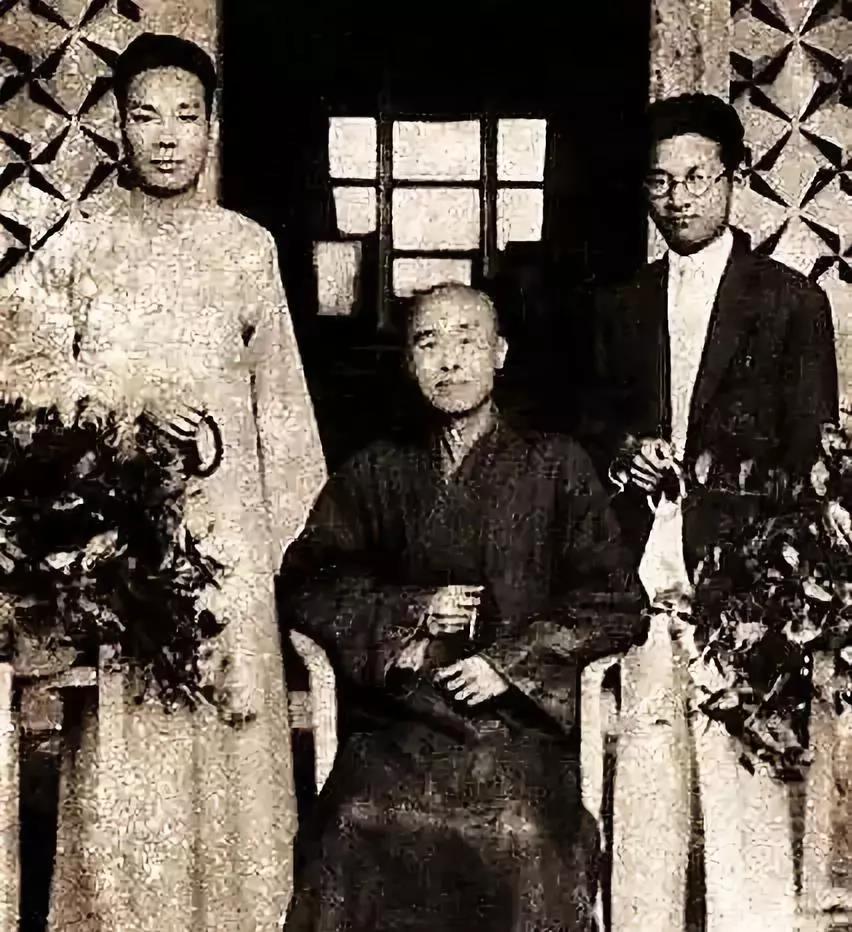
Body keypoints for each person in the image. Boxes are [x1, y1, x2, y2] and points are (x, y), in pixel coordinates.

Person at [1, 33, 326, 932]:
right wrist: (126, 403)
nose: (168, 136)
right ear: (118, 126)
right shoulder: (80, 248)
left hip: (230, 540)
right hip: (120, 549)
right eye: (147, 116)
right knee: (130, 755)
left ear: (213, 126)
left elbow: (283, 410)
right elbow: (18, 371)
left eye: (188, 116)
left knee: (233, 744)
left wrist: (294, 561)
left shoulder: (246, 248)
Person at [278, 283, 645, 932]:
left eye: (467, 340)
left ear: (499, 353)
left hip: (519, 732)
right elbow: (309, 583)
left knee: (523, 833)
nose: (449, 360)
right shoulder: (376, 471)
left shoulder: (557, 466)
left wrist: (510, 662)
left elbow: (615, 599)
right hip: (400, 729)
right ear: (408, 362)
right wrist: (410, 612)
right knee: (350, 824)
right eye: (429, 343)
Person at [585, 94, 839, 931]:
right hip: (645, 568)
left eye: (698, 177)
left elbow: (808, 458)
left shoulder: (792, 302)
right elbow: (589, 425)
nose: (679, 197)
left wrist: (767, 572)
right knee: (646, 778)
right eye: (660, 181)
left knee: (743, 789)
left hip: (748, 585)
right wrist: (624, 454)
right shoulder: (620, 304)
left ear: (736, 179)